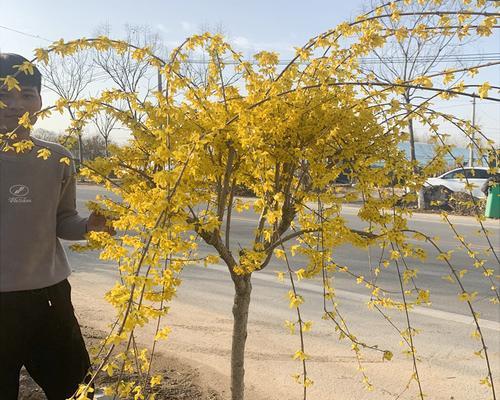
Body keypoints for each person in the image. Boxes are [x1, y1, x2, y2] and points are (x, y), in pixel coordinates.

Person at [0, 53, 113, 399]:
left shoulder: (57, 159)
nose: (14, 104)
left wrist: (90, 226)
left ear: (40, 102)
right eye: (3, 93)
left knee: (78, 391)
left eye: (26, 94)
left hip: (49, 298)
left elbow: (63, 219)